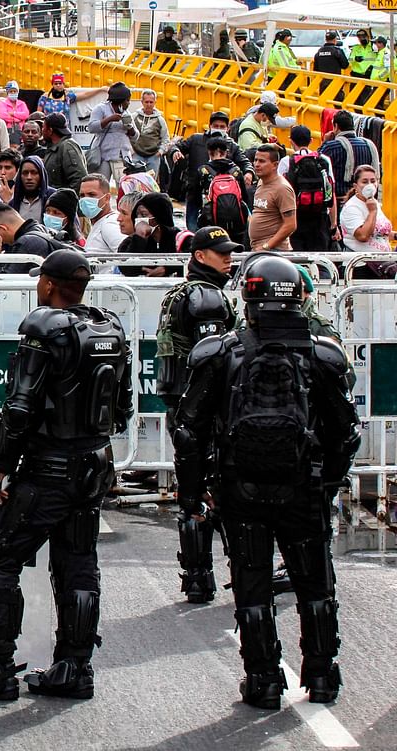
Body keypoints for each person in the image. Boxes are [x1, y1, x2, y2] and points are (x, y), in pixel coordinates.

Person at [173, 253, 360, 709]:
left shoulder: (220, 352)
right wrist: (328, 482)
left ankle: (263, 681)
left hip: (241, 486)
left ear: (248, 296)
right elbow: (346, 432)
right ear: (298, 296)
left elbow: (188, 431)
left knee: (253, 584)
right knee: (315, 582)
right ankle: (322, 677)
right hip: (304, 485)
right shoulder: (323, 354)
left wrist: (194, 493)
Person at [0, 247, 131, 701]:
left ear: (49, 284)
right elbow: (124, 410)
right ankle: (74, 667)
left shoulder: (44, 327)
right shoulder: (110, 327)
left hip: (47, 468)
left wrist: (1, 466)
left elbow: (19, 407)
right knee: (77, 564)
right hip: (94, 463)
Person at [155, 226, 239, 604]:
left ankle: (197, 576)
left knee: (193, 493)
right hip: (203, 407)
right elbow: (212, 359)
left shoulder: (184, 293)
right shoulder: (205, 298)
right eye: (221, 253)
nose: (229, 258)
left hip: (184, 406)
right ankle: (238, 570)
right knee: (217, 491)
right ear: (200, 256)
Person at [175, 111, 254, 231]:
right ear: (209, 126)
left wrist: (249, 172)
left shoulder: (232, 145)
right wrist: (175, 152)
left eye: (222, 127)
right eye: (216, 126)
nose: (219, 129)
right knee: (194, 229)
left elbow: (244, 161)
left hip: (222, 198)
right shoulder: (196, 140)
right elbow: (177, 147)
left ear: (227, 128)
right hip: (195, 194)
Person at [282, 126, 337, 253]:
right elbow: (330, 191)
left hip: (295, 216)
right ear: (311, 140)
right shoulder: (324, 160)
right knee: (319, 258)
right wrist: (333, 223)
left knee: (297, 258)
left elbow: (281, 191)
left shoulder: (287, 162)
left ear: (291, 141)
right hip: (320, 216)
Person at [339, 165, 397, 272]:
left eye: (373, 181)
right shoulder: (352, 207)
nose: (369, 185)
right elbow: (363, 235)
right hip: (361, 266)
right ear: (356, 186)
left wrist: (395, 235)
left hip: (382, 262)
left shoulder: (373, 203)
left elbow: (379, 231)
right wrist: (372, 212)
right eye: (365, 182)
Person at [195, 137, 250, 245]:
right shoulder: (236, 171)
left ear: (209, 152)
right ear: (226, 152)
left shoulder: (203, 171)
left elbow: (195, 196)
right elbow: (244, 197)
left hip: (211, 223)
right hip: (237, 224)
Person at [319, 110, 379, 204]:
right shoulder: (369, 145)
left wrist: (325, 142)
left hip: (338, 200)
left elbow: (317, 163)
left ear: (336, 126)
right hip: (365, 199)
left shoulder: (331, 147)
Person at [117, 192, 181, 277]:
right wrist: (139, 238)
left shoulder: (179, 238)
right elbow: (125, 268)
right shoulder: (130, 241)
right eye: (137, 215)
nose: (139, 219)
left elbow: (194, 260)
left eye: (143, 215)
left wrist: (167, 268)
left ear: (159, 217)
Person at [248, 144, 296, 252]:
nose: (256, 164)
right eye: (255, 160)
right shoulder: (261, 182)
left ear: (275, 165)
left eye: (262, 161)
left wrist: (266, 246)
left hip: (274, 251)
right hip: (258, 250)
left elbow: (290, 225)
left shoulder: (282, 188)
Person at [86, 83, 135, 182]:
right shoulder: (100, 108)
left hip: (122, 156)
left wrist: (130, 127)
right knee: (101, 184)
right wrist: (109, 119)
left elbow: (136, 136)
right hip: (103, 156)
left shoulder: (127, 113)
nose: (129, 103)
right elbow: (91, 127)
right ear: (120, 100)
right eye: (127, 100)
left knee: (123, 186)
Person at [40, 113, 86, 194]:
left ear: (50, 131)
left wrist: (65, 200)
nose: (42, 130)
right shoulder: (53, 148)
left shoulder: (67, 146)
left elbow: (78, 178)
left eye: (43, 127)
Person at [78, 174, 124, 253]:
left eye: (92, 195)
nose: (85, 199)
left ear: (107, 198)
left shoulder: (109, 224)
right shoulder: (100, 222)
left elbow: (127, 258)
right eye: (82, 195)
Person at [129, 89, 169, 176]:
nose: (149, 105)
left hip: (153, 156)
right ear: (142, 102)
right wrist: (131, 150)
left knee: (151, 184)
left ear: (155, 102)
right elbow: (126, 134)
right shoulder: (134, 117)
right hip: (136, 155)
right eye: (146, 102)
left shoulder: (160, 120)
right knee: (136, 181)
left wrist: (160, 151)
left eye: (151, 102)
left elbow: (165, 138)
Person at [10, 155, 54, 223]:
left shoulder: (53, 197)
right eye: (25, 173)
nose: (29, 177)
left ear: (41, 175)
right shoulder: (14, 203)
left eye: (34, 173)